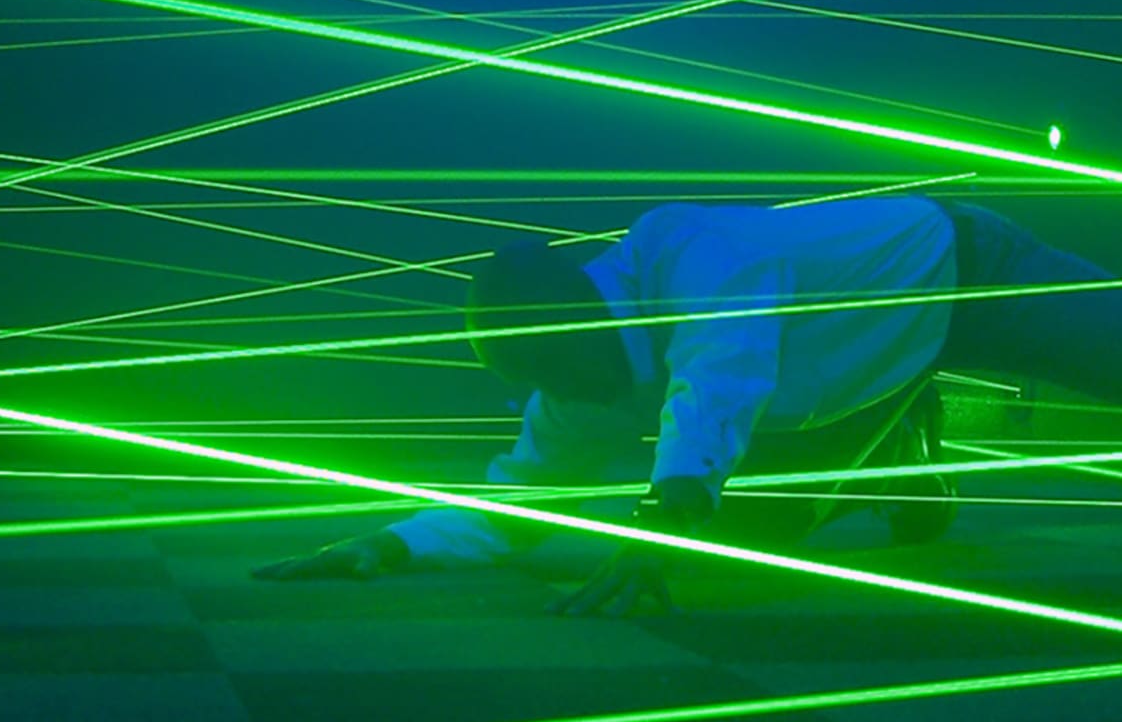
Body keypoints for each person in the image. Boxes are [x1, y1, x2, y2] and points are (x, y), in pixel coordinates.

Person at [252, 195, 1122, 616]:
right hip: (834, 385)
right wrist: (386, 544)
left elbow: (722, 368)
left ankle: (899, 427)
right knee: (748, 546)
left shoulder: (692, 251)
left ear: (585, 325)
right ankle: (899, 441)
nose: (564, 399)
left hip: (968, 271)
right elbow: (517, 496)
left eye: (565, 374)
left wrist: (671, 501)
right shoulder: (577, 375)